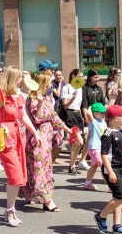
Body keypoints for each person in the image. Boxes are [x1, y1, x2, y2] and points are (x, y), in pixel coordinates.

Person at [0, 54, 43, 227]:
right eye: (19, 78)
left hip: (18, 136)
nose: (21, 81)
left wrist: (35, 133)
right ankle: (9, 211)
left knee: (19, 177)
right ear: (12, 78)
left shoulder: (19, 96)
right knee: (15, 176)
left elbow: (23, 116)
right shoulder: (1, 94)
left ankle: (10, 208)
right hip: (6, 137)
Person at [20, 72, 78, 211]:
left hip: (47, 137)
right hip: (37, 138)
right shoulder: (31, 99)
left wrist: (66, 129)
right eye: (47, 85)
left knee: (44, 168)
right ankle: (47, 201)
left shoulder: (46, 98)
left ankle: (34, 196)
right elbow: (37, 119)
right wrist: (39, 104)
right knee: (37, 169)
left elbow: (54, 116)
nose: (49, 87)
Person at [94, 105, 122, 234]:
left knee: (119, 197)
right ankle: (101, 216)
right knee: (121, 196)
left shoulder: (121, 132)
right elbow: (104, 154)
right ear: (116, 118)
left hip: (121, 168)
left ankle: (117, 225)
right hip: (112, 169)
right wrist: (110, 171)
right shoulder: (107, 134)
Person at [61, 69, 85, 175]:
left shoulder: (80, 88)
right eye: (80, 76)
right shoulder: (67, 87)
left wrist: (81, 117)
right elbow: (65, 105)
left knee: (76, 144)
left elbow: (79, 105)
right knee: (80, 141)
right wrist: (73, 97)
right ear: (74, 76)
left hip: (77, 115)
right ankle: (72, 165)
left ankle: (72, 165)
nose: (81, 78)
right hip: (69, 114)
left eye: (82, 76)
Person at [83, 102, 107, 191]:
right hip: (94, 147)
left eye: (104, 112)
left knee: (94, 166)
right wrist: (90, 107)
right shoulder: (93, 122)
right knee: (104, 166)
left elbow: (106, 133)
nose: (103, 114)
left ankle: (87, 183)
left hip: (100, 147)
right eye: (101, 113)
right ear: (95, 113)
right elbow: (88, 113)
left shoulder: (103, 122)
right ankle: (111, 186)